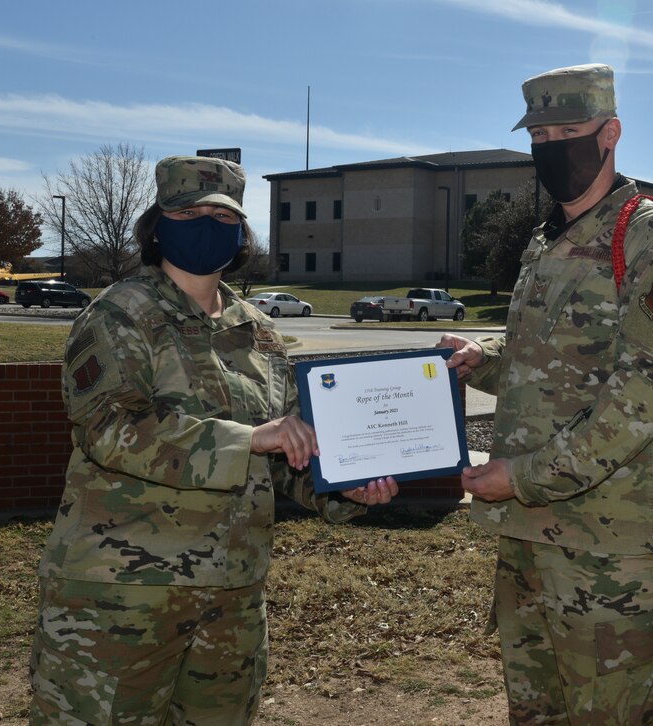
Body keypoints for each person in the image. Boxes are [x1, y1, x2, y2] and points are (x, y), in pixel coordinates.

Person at [29, 155, 399, 724]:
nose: (207, 224)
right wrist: (249, 439)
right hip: (122, 593)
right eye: (190, 211)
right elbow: (108, 429)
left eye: (223, 217)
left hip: (231, 592)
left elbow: (284, 454)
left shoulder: (257, 329)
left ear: (242, 232)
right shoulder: (120, 314)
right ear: (159, 223)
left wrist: (344, 488)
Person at [439, 63, 653, 723]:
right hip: (530, 537)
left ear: (611, 131)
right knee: (535, 712)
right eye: (541, 134)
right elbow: (550, 360)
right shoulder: (546, 242)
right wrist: (482, 358)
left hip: (608, 551)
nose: (552, 146)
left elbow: (646, 395)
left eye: (569, 129)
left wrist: (524, 477)